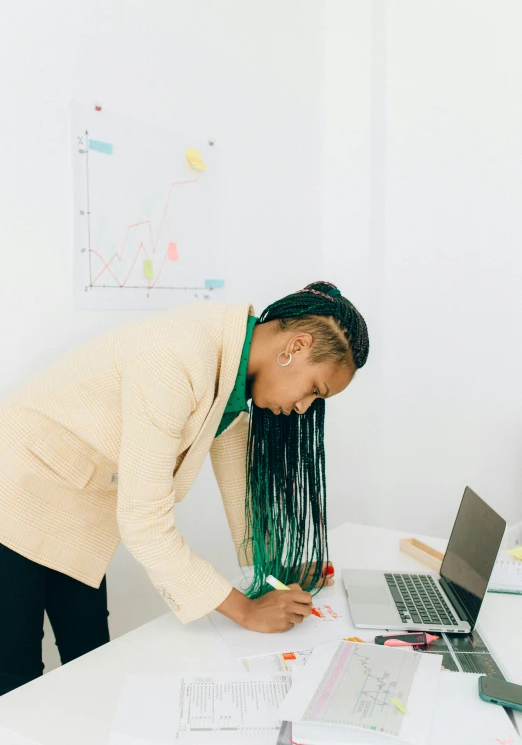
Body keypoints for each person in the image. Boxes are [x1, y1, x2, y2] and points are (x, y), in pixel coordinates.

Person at [0, 280, 369, 695]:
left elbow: (239, 486)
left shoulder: (231, 367)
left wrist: (272, 574)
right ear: (296, 347)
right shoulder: (176, 360)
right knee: (15, 681)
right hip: (14, 497)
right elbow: (144, 522)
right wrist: (245, 610)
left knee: (91, 664)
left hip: (77, 506)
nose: (304, 407)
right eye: (314, 390)